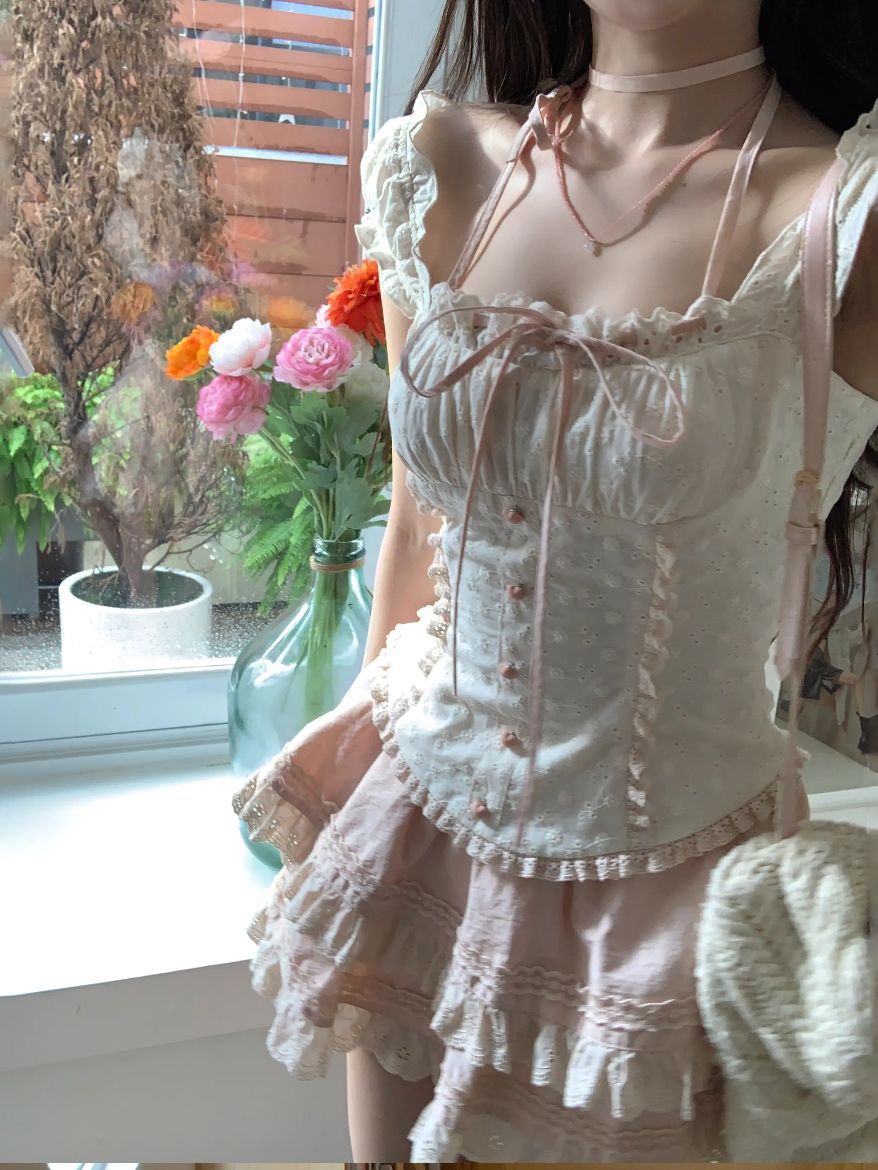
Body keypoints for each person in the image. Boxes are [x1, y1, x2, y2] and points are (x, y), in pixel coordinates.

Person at [233, 0, 878, 1160]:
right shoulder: (440, 165)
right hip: (411, 840)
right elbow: (415, 530)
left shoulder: (846, 207)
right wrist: (333, 810)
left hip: (670, 909)